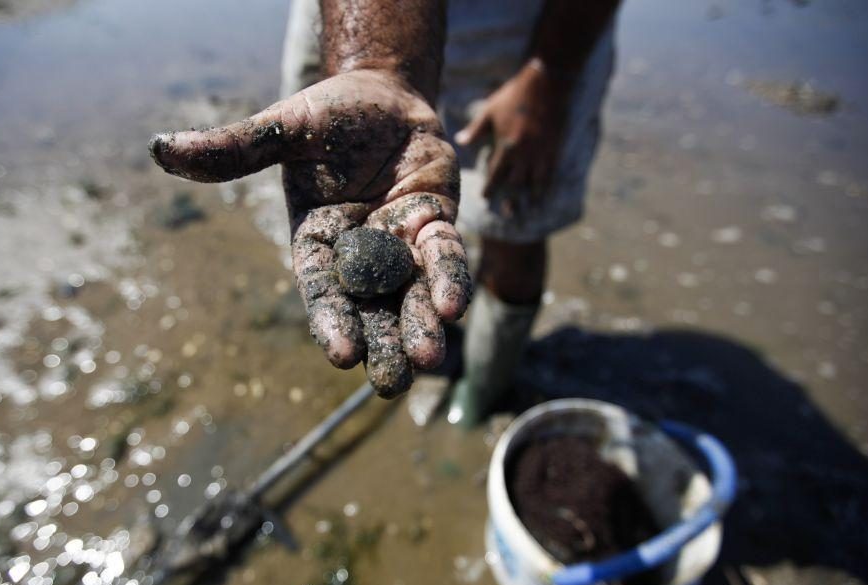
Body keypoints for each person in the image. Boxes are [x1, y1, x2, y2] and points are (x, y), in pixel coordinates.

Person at [150, 0, 620, 426]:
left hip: (534, 29)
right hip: (354, 14)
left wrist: (549, 72)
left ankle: (484, 388)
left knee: (516, 213)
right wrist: (371, 67)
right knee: (322, 167)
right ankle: (456, 355)